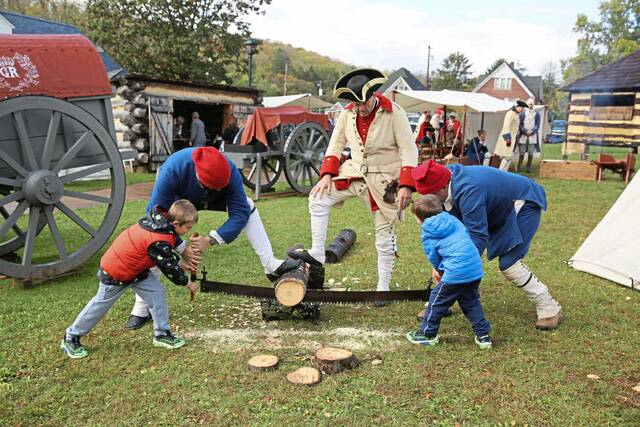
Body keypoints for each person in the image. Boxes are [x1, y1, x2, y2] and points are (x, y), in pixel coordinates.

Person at [125, 147, 300, 329]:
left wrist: (210, 240)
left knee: (248, 206)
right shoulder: (173, 169)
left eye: (220, 186)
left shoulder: (231, 171)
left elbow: (240, 213)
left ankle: (270, 264)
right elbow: (155, 214)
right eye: (211, 186)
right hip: (179, 201)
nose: (217, 188)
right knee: (156, 241)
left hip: (215, 200)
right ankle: (141, 308)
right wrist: (182, 247)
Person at [288, 68, 418, 305]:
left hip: (384, 179)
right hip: (355, 172)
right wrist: (327, 174)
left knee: (383, 235)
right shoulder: (347, 114)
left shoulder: (394, 113)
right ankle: (317, 252)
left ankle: (383, 288)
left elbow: (409, 150)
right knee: (318, 197)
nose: (360, 108)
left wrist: (405, 186)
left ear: (374, 95)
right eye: (355, 104)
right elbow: (335, 145)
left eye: (364, 102)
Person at [412, 159, 563, 330]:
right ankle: (442, 302)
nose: (429, 200)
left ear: (442, 187)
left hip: (523, 202)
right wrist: (442, 264)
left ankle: (548, 307)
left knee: (509, 264)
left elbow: (477, 236)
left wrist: (454, 266)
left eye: (431, 195)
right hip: (494, 208)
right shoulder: (443, 179)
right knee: (456, 257)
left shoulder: (470, 190)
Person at [61, 200, 199, 359]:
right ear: (175, 223)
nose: (189, 231)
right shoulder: (160, 236)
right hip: (116, 271)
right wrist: (188, 283)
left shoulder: (160, 225)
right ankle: (71, 337)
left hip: (136, 271)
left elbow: (163, 253)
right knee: (100, 305)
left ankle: (161, 334)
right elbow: (167, 265)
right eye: (188, 227)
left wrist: (180, 263)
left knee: (157, 293)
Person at [406, 195, 492, 349]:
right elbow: (465, 238)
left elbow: (433, 255)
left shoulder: (428, 231)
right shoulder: (452, 220)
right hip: (474, 270)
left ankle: (427, 334)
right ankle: (483, 336)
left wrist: (439, 270)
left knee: (436, 302)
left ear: (420, 218)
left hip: (456, 273)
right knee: (471, 302)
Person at [492, 99, 528, 171]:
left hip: (513, 138)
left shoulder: (516, 114)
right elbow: (506, 127)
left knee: (509, 156)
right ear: (519, 107)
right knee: (507, 156)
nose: (522, 110)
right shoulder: (510, 113)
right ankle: (501, 172)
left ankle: (505, 172)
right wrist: (508, 139)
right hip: (507, 138)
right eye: (522, 108)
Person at [516, 98, 540, 173]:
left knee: (530, 153)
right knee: (522, 153)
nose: (530, 105)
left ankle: (528, 167)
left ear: (533, 105)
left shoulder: (537, 114)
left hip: (532, 136)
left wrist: (532, 131)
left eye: (532, 104)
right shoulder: (522, 114)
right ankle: (519, 166)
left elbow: (537, 125)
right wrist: (525, 131)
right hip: (523, 136)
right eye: (529, 104)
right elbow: (520, 125)